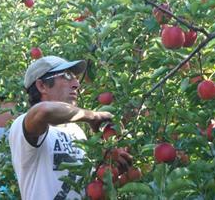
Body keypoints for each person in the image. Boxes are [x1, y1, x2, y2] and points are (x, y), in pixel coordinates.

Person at [8, 55, 130, 200]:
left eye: (75, 77)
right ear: (42, 86)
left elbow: (87, 191)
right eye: (67, 76)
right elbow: (44, 111)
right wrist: (92, 116)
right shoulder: (23, 125)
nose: (76, 84)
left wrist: (114, 173)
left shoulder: (76, 131)